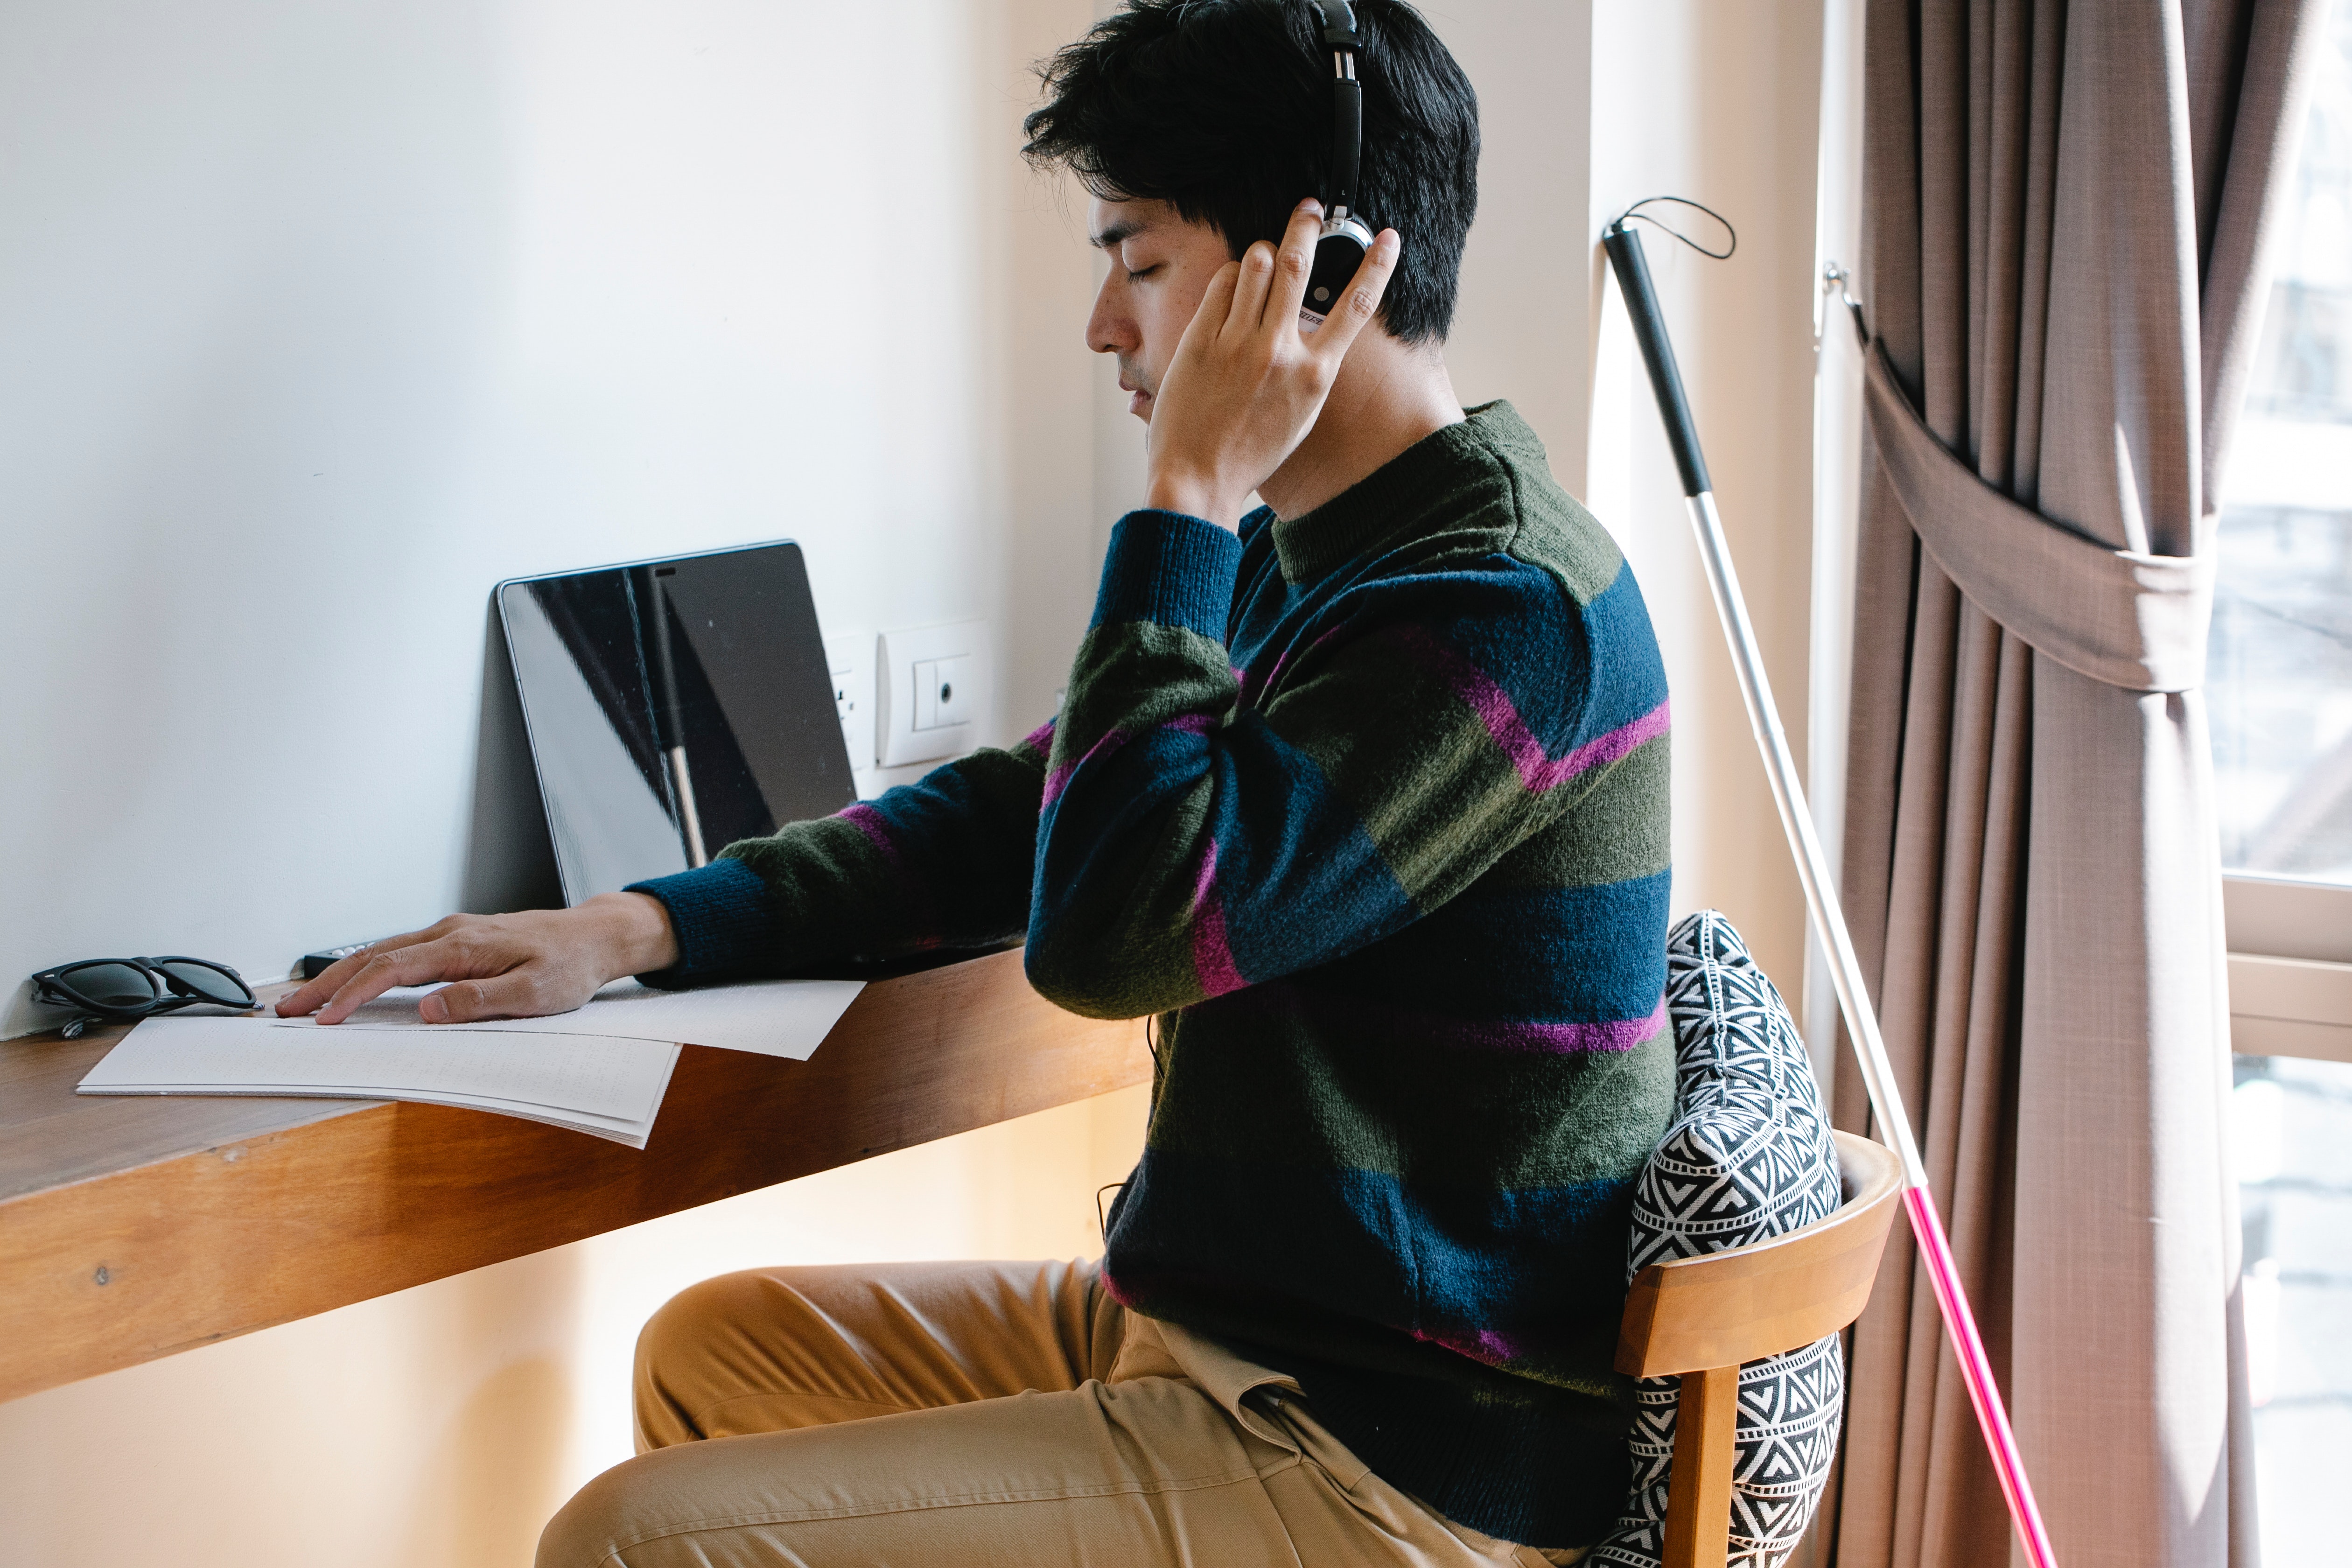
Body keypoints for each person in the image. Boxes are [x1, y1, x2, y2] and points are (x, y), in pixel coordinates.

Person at [278, 2, 1673, 1562]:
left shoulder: (1498, 606)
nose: (1102, 325)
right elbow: (1033, 807)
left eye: (1137, 263)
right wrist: (633, 927)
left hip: (1386, 1452)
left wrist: (1188, 502)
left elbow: (1115, 933)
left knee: (630, 1538)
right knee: (712, 1350)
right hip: (1232, 1337)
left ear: (1327, 273)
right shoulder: (1334, 551)